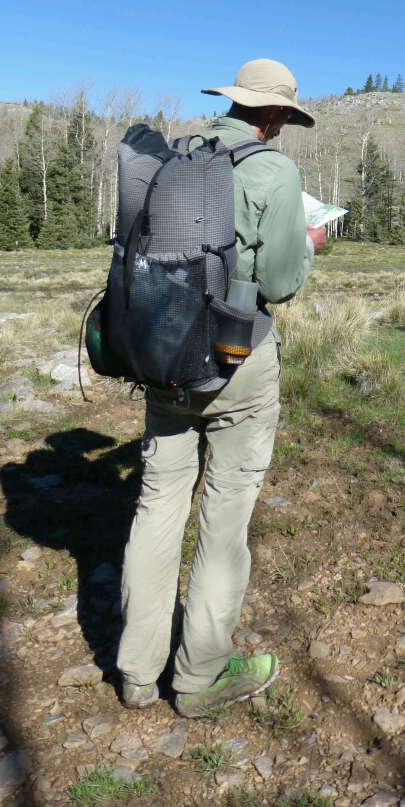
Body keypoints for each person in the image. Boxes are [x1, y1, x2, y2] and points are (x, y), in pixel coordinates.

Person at [116, 59, 325, 717]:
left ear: (233, 103)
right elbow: (282, 282)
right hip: (237, 358)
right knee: (226, 512)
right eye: (285, 117)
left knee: (157, 503)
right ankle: (199, 677)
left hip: (161, 352)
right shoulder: (272, 170)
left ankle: (137, 672)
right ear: (275, 114)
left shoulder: (180, 155)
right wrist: (311, 242)